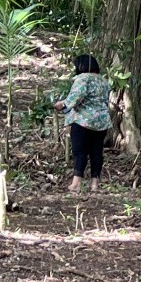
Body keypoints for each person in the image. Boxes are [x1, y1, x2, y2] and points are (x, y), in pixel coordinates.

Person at [57, 53, 112, 193]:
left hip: (83, 121)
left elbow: (75, 99)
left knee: (80, 151)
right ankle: (95, 184)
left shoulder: (82, 79)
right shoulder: (104, 81)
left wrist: (62, 105)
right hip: (102, 122)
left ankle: (76, 183)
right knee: (96, 152)